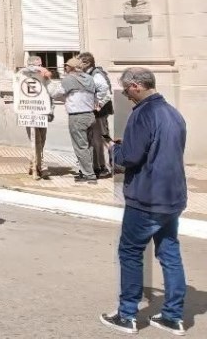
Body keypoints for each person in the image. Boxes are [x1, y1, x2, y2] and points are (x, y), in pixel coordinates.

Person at [100, 67, 187, 336]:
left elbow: (130, 158)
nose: (125, 95)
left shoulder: (143, 114)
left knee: (130, 253)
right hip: (171, 197)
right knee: (170, 254)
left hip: (146, 197)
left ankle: (127, 315)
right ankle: (172, 316)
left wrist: (115, 149)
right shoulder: (174, 113)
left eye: (126, 90)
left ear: (136, 86)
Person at [57, 56, 99, 183]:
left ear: (71, 68)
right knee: (89, 146)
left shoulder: (69, 79)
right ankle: (86, 170)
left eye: (67, 66)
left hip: (77, 116)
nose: (65, 67)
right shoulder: (90, 78)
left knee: (80, 146)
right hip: (90, 115)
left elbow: (56, 93)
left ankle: (89, 175)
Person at [17, 57, 54, 180]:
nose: (41, 67)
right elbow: (22, 71)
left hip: (43, 112)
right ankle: (41, 167)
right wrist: (40, 68)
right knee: (36, 140)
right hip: (29, 112)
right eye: (39, 64)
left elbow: (51, 94)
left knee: (41, 141)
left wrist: (51, 111)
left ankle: (34, 163)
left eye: (42, 64)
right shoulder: (24, 75)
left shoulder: (44, 78)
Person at [80, 52, 114, 179]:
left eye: (81, 62)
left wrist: (96, 104)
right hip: (95, 112)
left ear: (87, 63)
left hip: (99, 113)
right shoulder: (89, 73)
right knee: (96, 140)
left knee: (101, 139)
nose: (79, 65)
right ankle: (99, 166)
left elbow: (104, 89)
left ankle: (105, 167)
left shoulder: (96, 74)